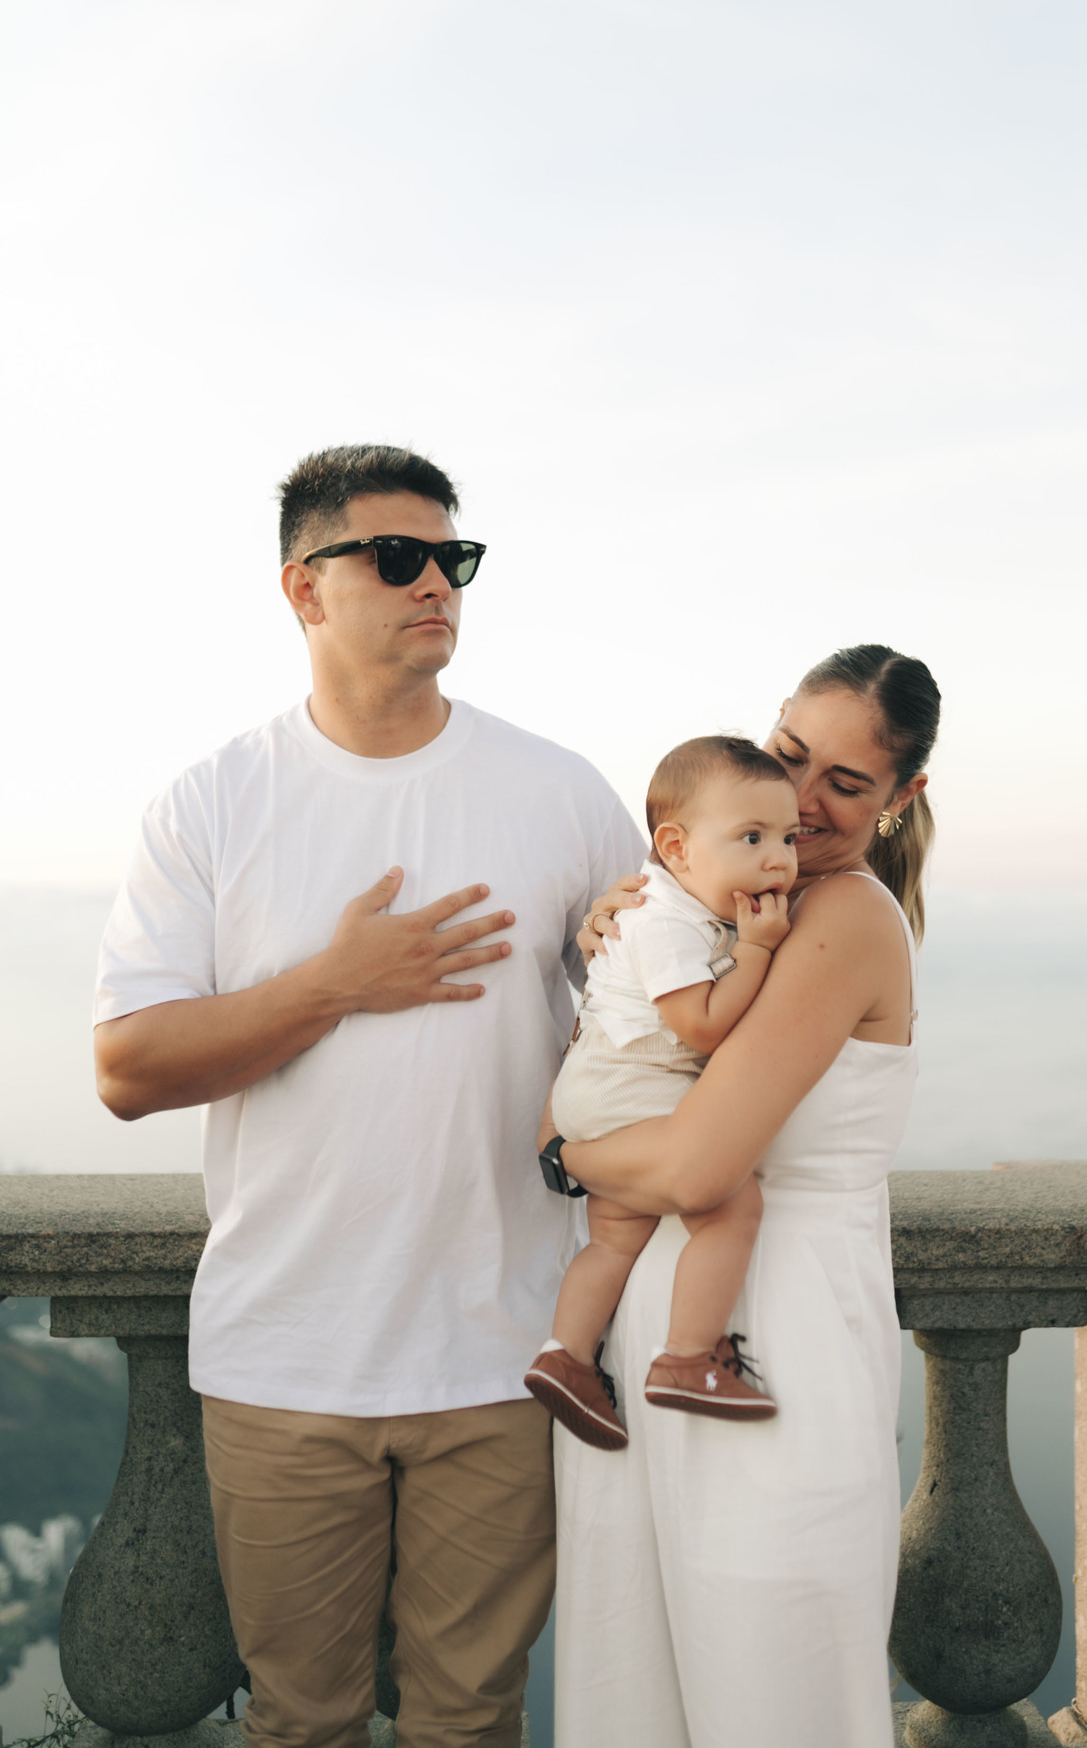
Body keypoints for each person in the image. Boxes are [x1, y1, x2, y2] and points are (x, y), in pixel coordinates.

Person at [92, 444, 645, 1748]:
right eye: (398, 558)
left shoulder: (558, 790)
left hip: (506, 1351)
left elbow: (655, 1025)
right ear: (305, 588)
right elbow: (127, 1069)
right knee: (302, 1723)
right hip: (286, 1354)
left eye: (455, 559)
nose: (436, 583)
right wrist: (333, 984)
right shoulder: (213, 803)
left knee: (472, 1721)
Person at [546, 644, 940, 1748]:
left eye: (846, 783)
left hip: (777, 1341)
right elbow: (612, 1083)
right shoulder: (706, 908)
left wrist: (566, 1157)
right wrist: (623, 960)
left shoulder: (842, 917)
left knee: (772, 1688)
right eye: (789, 753)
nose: (801, 801)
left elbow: (692, 1170)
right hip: (653, 1338)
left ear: (902, 797)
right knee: (636, 1680)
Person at [526, 735, 799, 1448]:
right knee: (733, 1203)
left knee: (615, 1236)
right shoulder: (663, 920)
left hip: (599, 1094)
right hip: (629, 1088)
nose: (779, 857)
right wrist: (756, 950)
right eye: (753, 837)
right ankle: (687, 1356)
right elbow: (700, 1024)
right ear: (676, 847)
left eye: (789, 837)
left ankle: (566, 1356)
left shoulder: (677, 905)